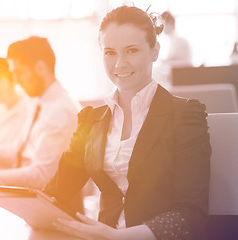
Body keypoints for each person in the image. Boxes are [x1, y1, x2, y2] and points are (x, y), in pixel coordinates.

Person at [44, 5, 211, 240]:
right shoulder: (91, 119)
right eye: (110, 52)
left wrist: (116, 236)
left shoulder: (185, 115)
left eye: (131, 50)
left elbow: (191, 215)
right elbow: (57, 192)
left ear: (154, 51)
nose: (119, 63)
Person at [0, 36, 81, 190]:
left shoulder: (60, 111)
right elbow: (18, 153)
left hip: (47, 200)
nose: (15, 81)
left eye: (19, 73)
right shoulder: (39, 102)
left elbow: (40, 177)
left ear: (40, 68)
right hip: (31, 193)